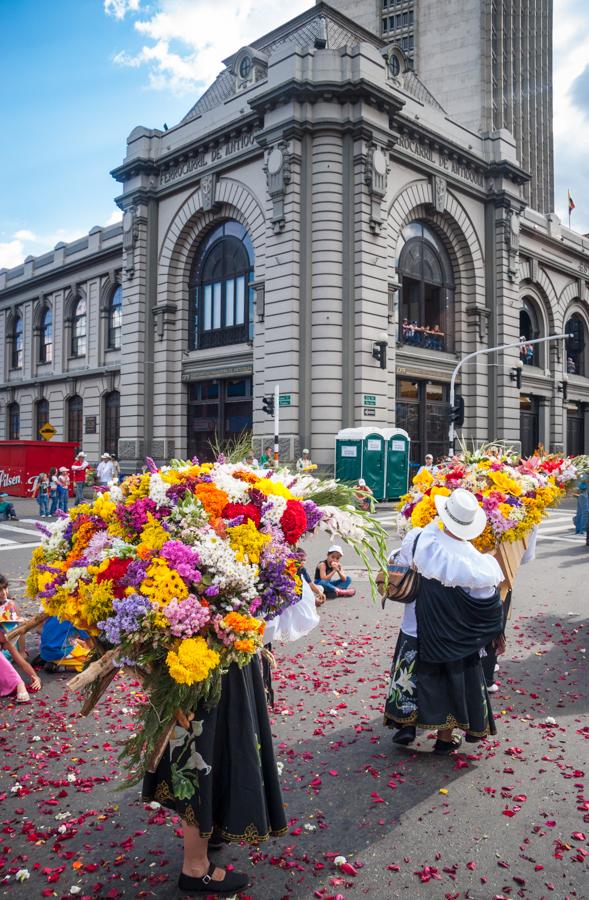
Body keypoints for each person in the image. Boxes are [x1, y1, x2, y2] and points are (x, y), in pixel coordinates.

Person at [142, 657, 287, 895]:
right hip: (199, 659)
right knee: (199, 749)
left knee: (217, 745)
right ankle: (195, 868)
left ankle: (211, 827)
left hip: (221, 654)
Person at [384, 488, 503, 754]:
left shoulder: (418, 538)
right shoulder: (476, 562)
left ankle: (406, 725)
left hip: (415, 625)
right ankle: (444, 739)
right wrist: (494, 632)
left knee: (409, 674)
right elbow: (487, 602)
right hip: (452, 636)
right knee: (449, 682)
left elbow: (399, 564)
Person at [0, 574, 26, 658]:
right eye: (0, 590)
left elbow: (21, 628)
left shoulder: (12, 605)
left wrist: (22, 651)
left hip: (10, 647)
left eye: (5, 588)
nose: (4, 592)